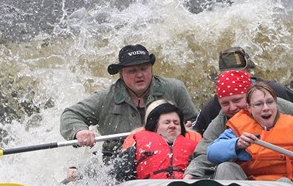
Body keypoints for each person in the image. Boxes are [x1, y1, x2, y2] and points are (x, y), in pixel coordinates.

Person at [60, 44, 198, 157]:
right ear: (121, 74)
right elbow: (70, 114)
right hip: (117, 160)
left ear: (151, 69)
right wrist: (79, 131)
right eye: (132, 71)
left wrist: (187, 128)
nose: (139, 75)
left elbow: (196, 123)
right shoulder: (105, 98)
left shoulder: (175, 89)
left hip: (168, 157)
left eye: (144, 69)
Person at [191, 47, 293, 138]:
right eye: (228, 74)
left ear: (249, 72)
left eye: (240, 73)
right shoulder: (217, 102)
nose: (231, 106)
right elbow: (197, 131)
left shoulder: (273, 91)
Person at [207, 81, 293, 186]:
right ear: (249, 108)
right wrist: (236, 144)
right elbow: (212, 153)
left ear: (276, 103)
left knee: (284, 184)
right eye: (258, 104)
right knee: (225, 168)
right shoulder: (237, 128)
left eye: (270, 102)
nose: (266, 108)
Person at [112, 101, 199, 183]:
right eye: (167, 122)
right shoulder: (136, 148)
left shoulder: (196, 149)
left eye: (176, 123)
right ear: (155, 127)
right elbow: (118, 178)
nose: (172, 126)